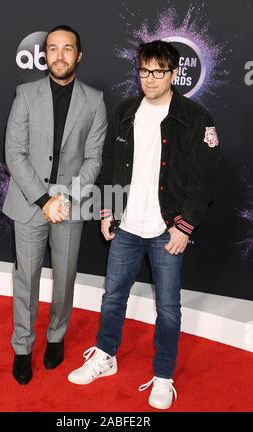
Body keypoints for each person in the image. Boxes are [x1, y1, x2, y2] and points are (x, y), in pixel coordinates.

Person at [68, 40, 219, 409]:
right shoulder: (124, 112)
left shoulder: (196, 118)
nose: (149, 79)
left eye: (157, 72)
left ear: (172, 73)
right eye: (143, 71)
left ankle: (163, 376)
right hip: (127, 227)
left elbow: (204, 180)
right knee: (113, 296)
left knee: (168, 308)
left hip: (167, 229)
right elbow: (109, 167)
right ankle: (106, 356)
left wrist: (184, 227)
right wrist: (107, 212)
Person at [3, 25, 107, 385]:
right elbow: (14, 154)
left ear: (79, 55)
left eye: (67, 48)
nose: (59, 55)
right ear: (44, 54)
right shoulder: (25, 94)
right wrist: (44, 199)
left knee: (65, 280)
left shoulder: (94, 100)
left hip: (71, 205)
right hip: (30, 204)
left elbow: (94, 158)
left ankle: (56, 338)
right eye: (52, 48)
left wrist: (67, 198)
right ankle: (22, 347)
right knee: (25, 280)